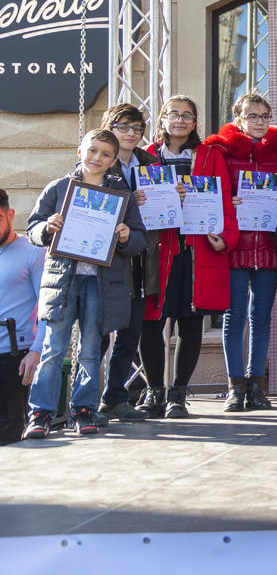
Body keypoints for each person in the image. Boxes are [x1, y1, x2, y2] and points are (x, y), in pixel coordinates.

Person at [22, 130, 147, 439]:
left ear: (113, 160)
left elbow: (140, 239)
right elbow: (32, 228)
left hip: (100, 284)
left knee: (91, 350)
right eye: (92, 150)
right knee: (53, 349)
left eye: (105, 154)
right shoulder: (59, 188)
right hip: (63, 280)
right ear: (80, 151)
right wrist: (47, 228)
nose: (97, 158)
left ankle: (84, 409)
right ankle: (41, 413)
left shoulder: (122, 196)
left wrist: (126, 237)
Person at [139, 95, 239, 418]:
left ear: (195, 123)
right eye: (173, 114)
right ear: (162, 119)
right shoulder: (147, 156)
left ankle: (178, 393)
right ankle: (155, 391)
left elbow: (224, 204)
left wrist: (225, 237)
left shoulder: (210, 157)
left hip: (196, 253)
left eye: (187, 115)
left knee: (191, 323)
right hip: (156, 253)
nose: (180, 120)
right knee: (150, 323)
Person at [204, 93, 277, 411]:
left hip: (268, 246)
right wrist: (228, 202)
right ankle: (234, 387)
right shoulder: (222, 153)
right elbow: (210, 196)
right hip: (235, 247)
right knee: (233, 316)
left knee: (261, 318)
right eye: (252, 116)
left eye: (264, 115)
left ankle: (257, 387)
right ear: (238, 119)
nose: (259, 122)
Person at [96, 103, 161, 422]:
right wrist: (127, 202)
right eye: (124, 127)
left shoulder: (151, 162)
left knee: (130, 336)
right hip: (109, 264)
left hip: (143, 259)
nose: (132, 134)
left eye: (137, 128)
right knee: (98, 338)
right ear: (111, 127)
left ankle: (115, 398)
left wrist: (172, 193)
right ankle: (84, 401)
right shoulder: (99, 165)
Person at [0, 189, 46, 444]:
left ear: (10, 215)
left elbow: (48, 309)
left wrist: (36, 352)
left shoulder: (33, 252)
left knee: (8, 439)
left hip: (13, 359)